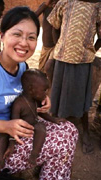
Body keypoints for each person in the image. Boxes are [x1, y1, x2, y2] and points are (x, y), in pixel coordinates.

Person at [0, 6, 78, 180]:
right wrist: (6, 126)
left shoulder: (22, 67)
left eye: (31, 37)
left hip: (11, 131)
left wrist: (42, 99)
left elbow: (26, 96)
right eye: (17, 34)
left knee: (69, 129)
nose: (24, 43)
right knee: (63, 141)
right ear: (2, 35)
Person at [47, 0, 101, 154]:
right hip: (61, 57)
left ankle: (85, 133)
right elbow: (54, 26)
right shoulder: (64, 2)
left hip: (83, 61)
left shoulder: (97, 6)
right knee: (57, 93)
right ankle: (54, 127)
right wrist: (59, 46)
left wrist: (91, 51)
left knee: (81, 97)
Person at [0, 68, 66, 173]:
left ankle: (34, 155)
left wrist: (53, 119)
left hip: (32, 126)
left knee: (41, 127)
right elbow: (14, 122)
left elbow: (41, 113)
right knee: (3, 135)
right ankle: (0, 161)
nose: (46, 93)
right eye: (44, 90)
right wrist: (12, 143)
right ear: (31, 89)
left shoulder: (36, 99)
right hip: (17, 128)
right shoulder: (19, 103)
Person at [35, 0, 60, 81]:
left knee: (50, 68)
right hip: (46, 46)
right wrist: (45, 5)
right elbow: (34, 16)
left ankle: (51, 88)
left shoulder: (62, 7)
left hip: (56, 45)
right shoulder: (46, 6)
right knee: (41, 71)